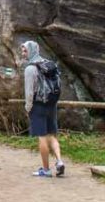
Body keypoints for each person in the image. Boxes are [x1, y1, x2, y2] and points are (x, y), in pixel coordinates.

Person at [21, 40, 65, 178]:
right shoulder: (49, 64)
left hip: (38, 104)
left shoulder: (30, 69)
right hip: (51, 104)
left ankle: (45, 170)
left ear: (32, 51)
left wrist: (28, 108)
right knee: (51, 134)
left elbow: (29, 92)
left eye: (25, 50)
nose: (23, 53)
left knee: (42, 137)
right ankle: (59, 161)